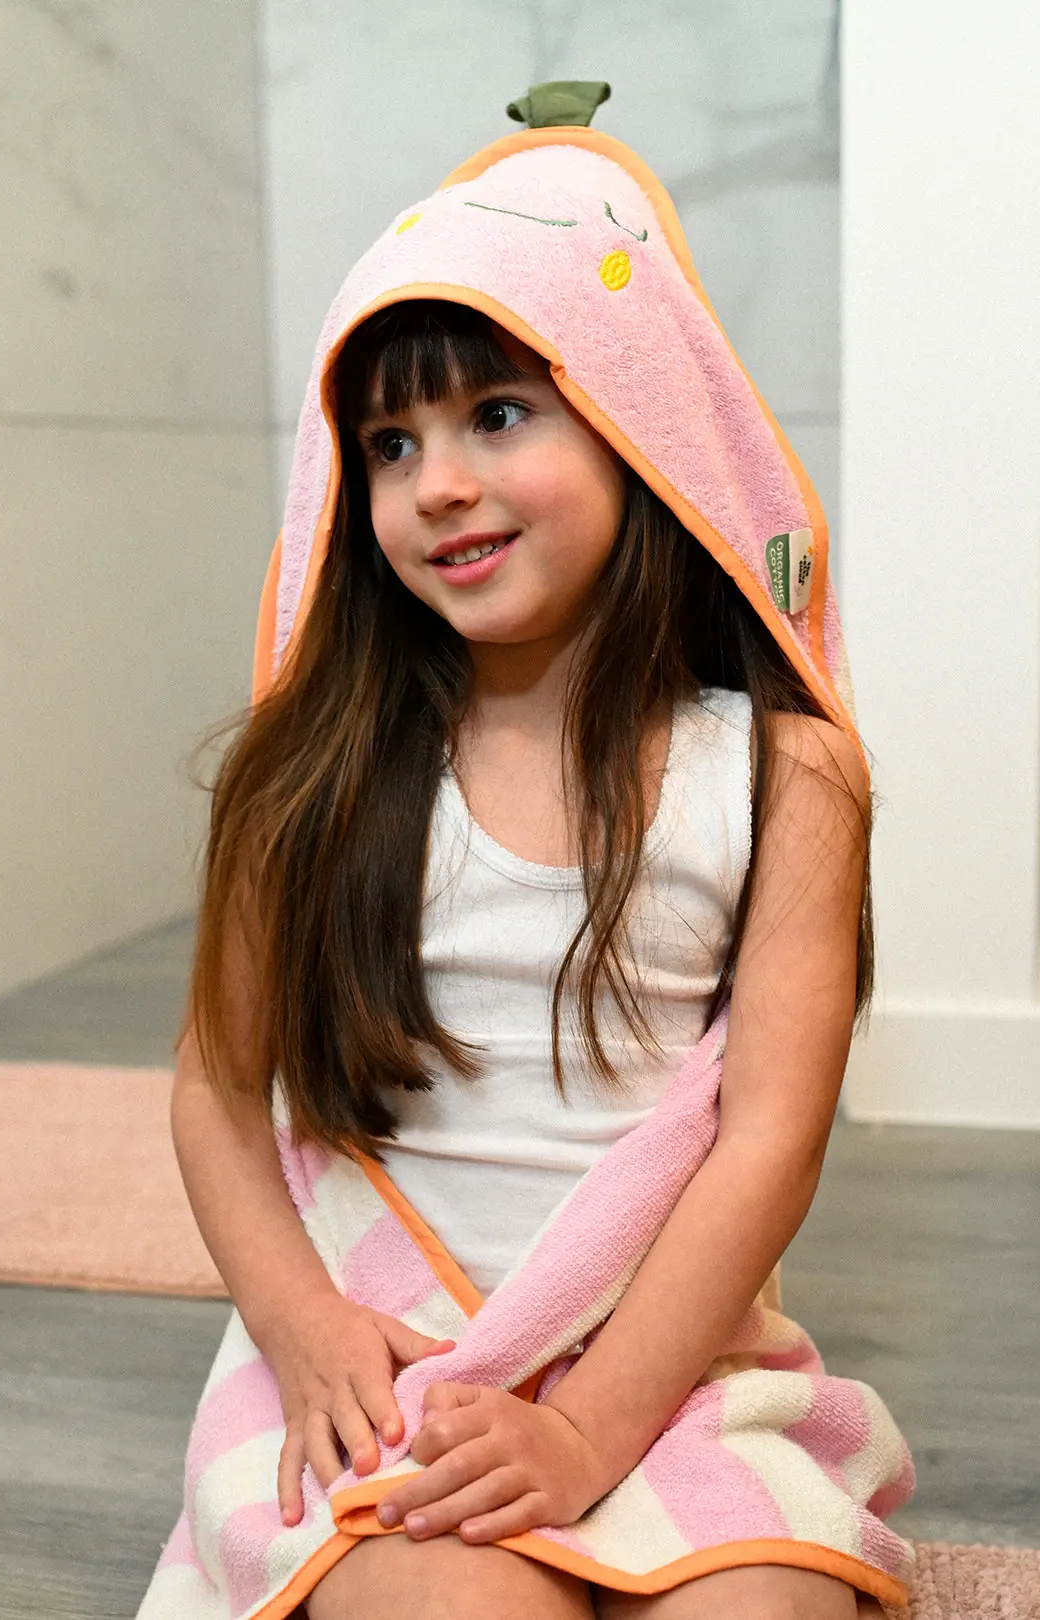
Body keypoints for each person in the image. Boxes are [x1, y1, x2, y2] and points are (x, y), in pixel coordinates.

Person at [136, 83, 915, 1620]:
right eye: (389, 443)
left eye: (498, 414)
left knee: (763, 1607)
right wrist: (301, 1329)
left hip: (661, 1358)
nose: (436, 482)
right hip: (389, 1356)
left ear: (638, 426)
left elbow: (769, 1136)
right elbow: (218, 1094)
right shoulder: (310, 779)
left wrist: (589, 1428)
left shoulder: (785, 777)